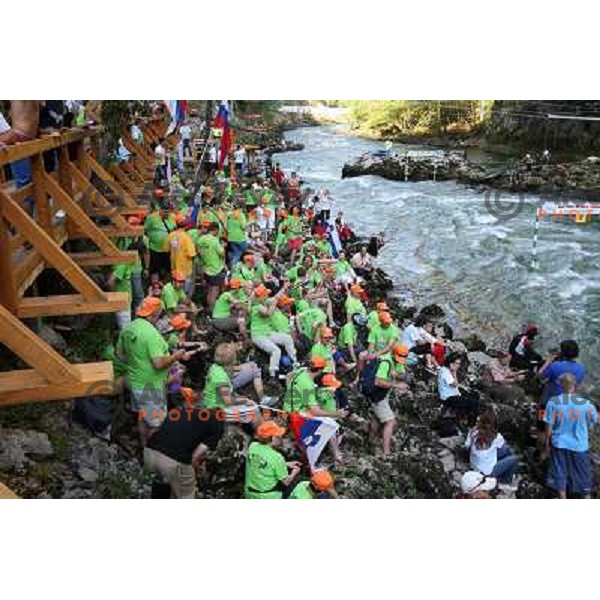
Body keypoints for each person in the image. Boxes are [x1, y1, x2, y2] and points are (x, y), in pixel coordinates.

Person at [116, 297, 195, 443]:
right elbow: (158, 364)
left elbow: (120, 355)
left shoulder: (128, 327)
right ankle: (152, 453)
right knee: (156, 425)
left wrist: (138, 364)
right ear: (155, 314)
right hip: (150, 387)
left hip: (135, 382)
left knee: (142, 417)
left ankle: (144, 447)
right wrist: (175, 356)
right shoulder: (152, 334)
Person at [144, 408, 224, 499]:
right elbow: (195, 457)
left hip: (149, 453)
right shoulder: (218, 425)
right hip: (172, 462)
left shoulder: (182, 411)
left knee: (161, 488)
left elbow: (153, 432)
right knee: (185, 494)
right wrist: (197, 471)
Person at [542, 373, 598, 499]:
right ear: (575, 386)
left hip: (559, 444)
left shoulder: (553, 402)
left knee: (560, 475)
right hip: (580, 446)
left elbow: (549, 427)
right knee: (584, 478)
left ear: (561, 385)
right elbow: (594, 422)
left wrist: (547, 445)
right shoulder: (587, 404)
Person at [202, 342, 266, 422]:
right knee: (254, 410)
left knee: (248, 402)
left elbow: (230, 369)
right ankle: (263, 431)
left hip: (215, 402)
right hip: (217, 409)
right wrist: (245, 400)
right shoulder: (220, 377)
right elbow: (228, 400)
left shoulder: (215, 366)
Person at [369, 343, 410, 457]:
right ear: (393, 354)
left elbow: (399, 373)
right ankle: (386, 452)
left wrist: (398, 376)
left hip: (381, 395)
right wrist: (397, 385)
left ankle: (371, 441)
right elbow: (378, 382)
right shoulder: (385, 363)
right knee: (390, 422)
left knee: (377, 417)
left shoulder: (394, 361)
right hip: (377, 395)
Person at [244, 421, 302, 499]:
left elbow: (261, 463)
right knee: (300, 482)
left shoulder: (252, 446)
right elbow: (286, 482)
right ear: (271, 438)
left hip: (250, 494)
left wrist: (286, 464)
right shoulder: (277, 457)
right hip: (268, 496)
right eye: (278, 436)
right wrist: (294, 472)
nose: (280, 438)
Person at [250, 283, 297, 379]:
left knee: (287, 338)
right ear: (260, 297)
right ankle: (273, 376)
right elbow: (268, 313)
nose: (267, 296)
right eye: (265, 295)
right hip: (258, 335)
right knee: (276, 351)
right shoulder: (256, 305)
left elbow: (276, 297)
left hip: (267, 333)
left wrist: (284, 288)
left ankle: (295, 362)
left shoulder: (263, 301)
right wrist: (274, 302)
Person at [465, 411, 520, 491]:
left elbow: (466, 446)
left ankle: (507, 472)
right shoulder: (496, 437)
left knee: (503, 450)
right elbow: (503, 449)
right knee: (514, 457)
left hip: (474, 466)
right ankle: (505, 482)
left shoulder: (473, 432)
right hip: (487, 473)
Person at [438, 352, 480, 425]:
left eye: (458, 364)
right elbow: (453, 384)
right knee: (472, 403)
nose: (458, 366)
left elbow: (455, 382)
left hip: (455, 393)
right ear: (450, 362)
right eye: (456, 363)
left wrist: (454, 372)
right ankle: (471, 423)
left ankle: (468, 417)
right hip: (448, 397)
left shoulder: (450, 371)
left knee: (475, 394)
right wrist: (463, 387)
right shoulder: (444, 371)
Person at [539, 339, 586, 403]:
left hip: (550, 399)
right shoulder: (581, 368)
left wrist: (548, 361)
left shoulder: (555, 365)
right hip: (568, 401)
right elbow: (577, 385)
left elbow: (541, 376)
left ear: (562, 352)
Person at [197, 221, 227, 310]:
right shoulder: (214, 240)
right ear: (216, 230)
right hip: (215, 269)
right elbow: (222, 253)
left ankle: (208, 311)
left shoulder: (201, 239)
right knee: (214, 292)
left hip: (205, 268)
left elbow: (198, 252)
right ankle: (212, 312)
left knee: (209, 291)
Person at [164, 214, 196, 296]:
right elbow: (192, 254)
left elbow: (166, 250)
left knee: (175, 290)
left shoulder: (171, 235)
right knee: (185, 292)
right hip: (185, 269)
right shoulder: (186, 237)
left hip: (174, 267)